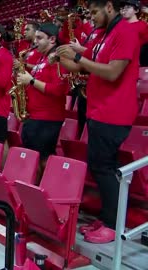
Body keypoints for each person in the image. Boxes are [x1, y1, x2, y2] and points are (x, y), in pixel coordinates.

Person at [57, 0, 139, 243]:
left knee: (104, 167)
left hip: (114, 113)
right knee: (98, 165)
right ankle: (106, 218)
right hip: (97, 110)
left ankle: (113, 225)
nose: (91, 17)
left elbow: (112, 72)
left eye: (94, 12)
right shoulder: (103, 34)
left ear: (110, 7)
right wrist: (57, 56)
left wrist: (79, 57)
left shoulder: (125, 31)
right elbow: (79, 64)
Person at [17, 23, 70, 178]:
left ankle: (46, 190)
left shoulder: (58, 59)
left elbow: (59, 90)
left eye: (39, 38)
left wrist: (31, 81)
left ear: (52, 39)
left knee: (43, 158)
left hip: (48, 118)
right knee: (33, 157)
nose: (35, 42)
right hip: (34, 116)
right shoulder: (42, 58)